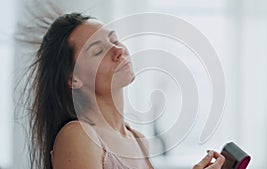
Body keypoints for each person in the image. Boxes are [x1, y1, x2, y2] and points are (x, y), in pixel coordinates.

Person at [25, 13, 225, 169]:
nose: (118, 50)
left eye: (115, 39)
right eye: (98, 51)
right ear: (73, 79)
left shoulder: (137, 140)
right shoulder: (79, 135)